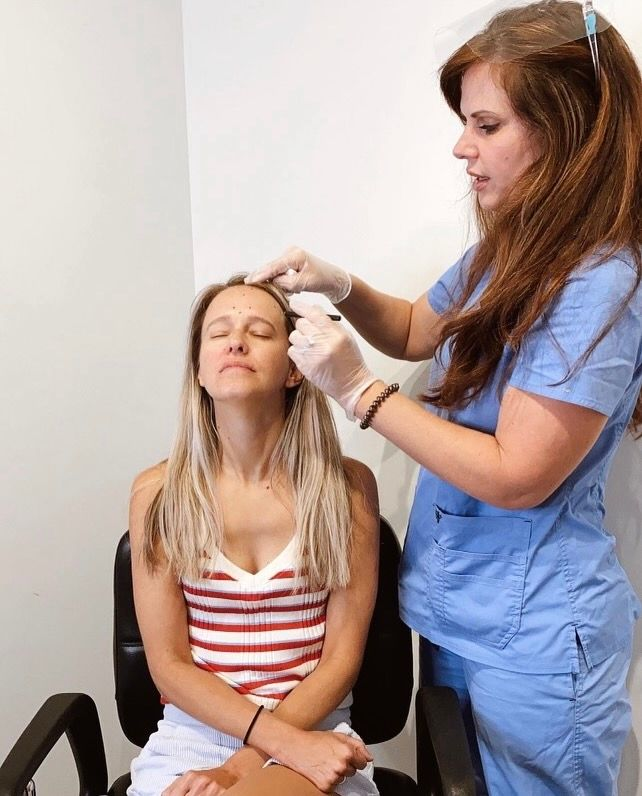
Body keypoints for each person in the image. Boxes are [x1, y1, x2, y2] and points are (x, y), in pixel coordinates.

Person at [246, 1, 642, 793]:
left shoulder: (601, 281)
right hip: (459, 613)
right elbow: (419, 327)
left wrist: (358, 392)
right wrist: (340, 283)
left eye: (486, 125)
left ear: (568, 130)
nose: (462, 147)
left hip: (530, 637)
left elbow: (517, 473)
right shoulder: (509, 251)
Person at [127, 275, 380, 796]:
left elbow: (341, 660)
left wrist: (251, 763)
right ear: (198, 368)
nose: (236, 341)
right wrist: (249, 754)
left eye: (260, 332)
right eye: (218, 333)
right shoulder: (158, 494)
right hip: (190, 740)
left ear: (294, 368)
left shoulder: (346, 488)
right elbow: (168, 665)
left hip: (312, 734)